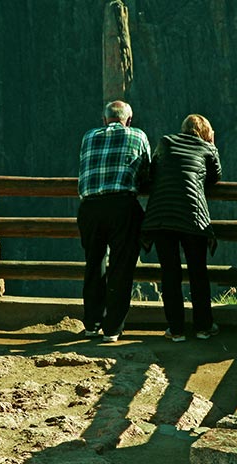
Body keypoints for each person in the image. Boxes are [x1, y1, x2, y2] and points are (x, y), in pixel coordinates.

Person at [140, 114, 221, 342]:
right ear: (206, 132)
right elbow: (215, 177)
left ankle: (176, 330)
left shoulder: (165, 142)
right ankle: (203, 327)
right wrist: (212, 145)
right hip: (193, 218)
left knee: (170, 273)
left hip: (162, 217)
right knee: (198, 272)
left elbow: (152, 172)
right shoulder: (207, 148)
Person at [76, 100, 151, 343]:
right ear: (128, 120)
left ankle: (91, 324)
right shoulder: (137, 135)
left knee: (94, 263)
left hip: (90, 207)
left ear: (104, 119)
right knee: (121, 267)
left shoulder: (89, 136)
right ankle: (112, 329)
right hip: (121, 205)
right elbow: (146, 173)